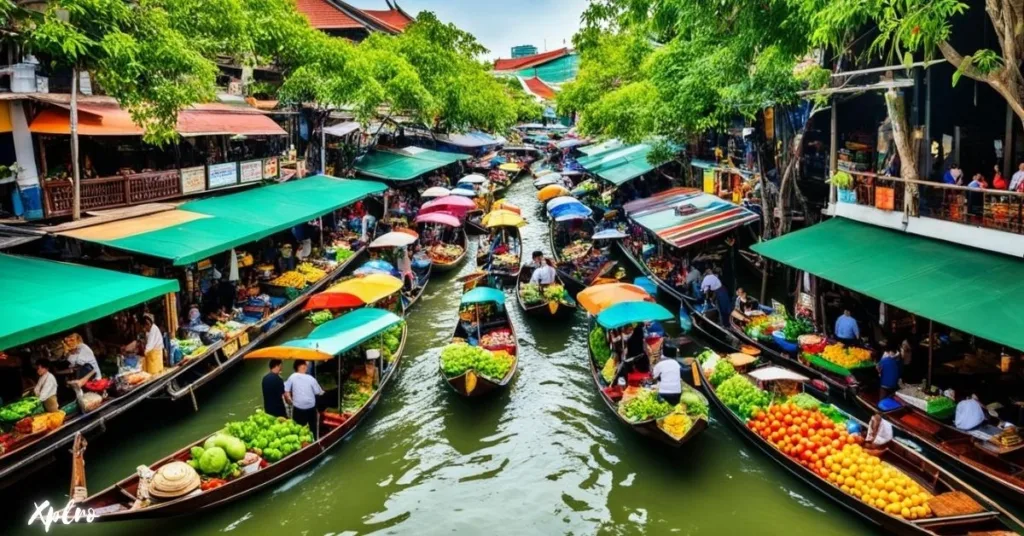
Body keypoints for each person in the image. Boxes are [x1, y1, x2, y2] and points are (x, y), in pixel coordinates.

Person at [284, 360, 324, 434]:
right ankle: (314, 440)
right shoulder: (311, 379)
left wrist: (289, 400)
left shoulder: (292, 377)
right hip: (310, 408)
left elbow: (286, 392)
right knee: (313, 427)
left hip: (298, 407)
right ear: (303, 367)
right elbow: (318, 392)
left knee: (298, 428)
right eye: (305, 365)